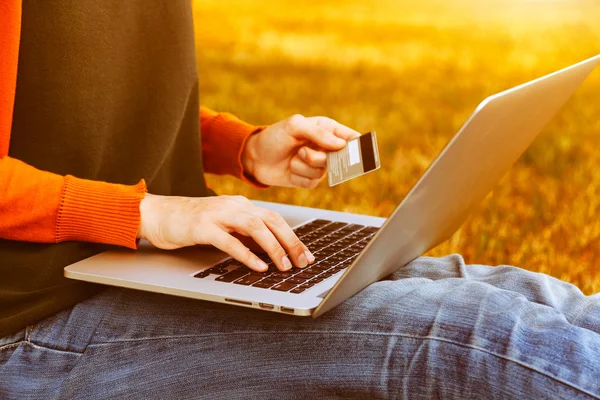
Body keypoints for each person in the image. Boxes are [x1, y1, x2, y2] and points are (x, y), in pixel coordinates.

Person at [1, 2, 599, 399]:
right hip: (34, 319)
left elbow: (85, 105)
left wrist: (246, 146)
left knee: (529, 297)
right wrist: (150, 212)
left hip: (153, 262)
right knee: (471, 334)